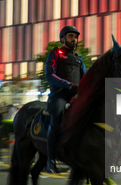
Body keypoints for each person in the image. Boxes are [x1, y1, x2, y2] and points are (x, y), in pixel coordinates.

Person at [45, 26, 87, 172]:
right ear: (62, 38)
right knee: (57, 117)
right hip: (59, 96)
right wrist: (68, 85)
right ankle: (50, 160)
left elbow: (86, 78)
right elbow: (49, 74)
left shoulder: (79, 58)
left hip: (75, 96)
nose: (73, 39)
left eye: (75, 37)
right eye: (70, 36)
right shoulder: (55, 53)